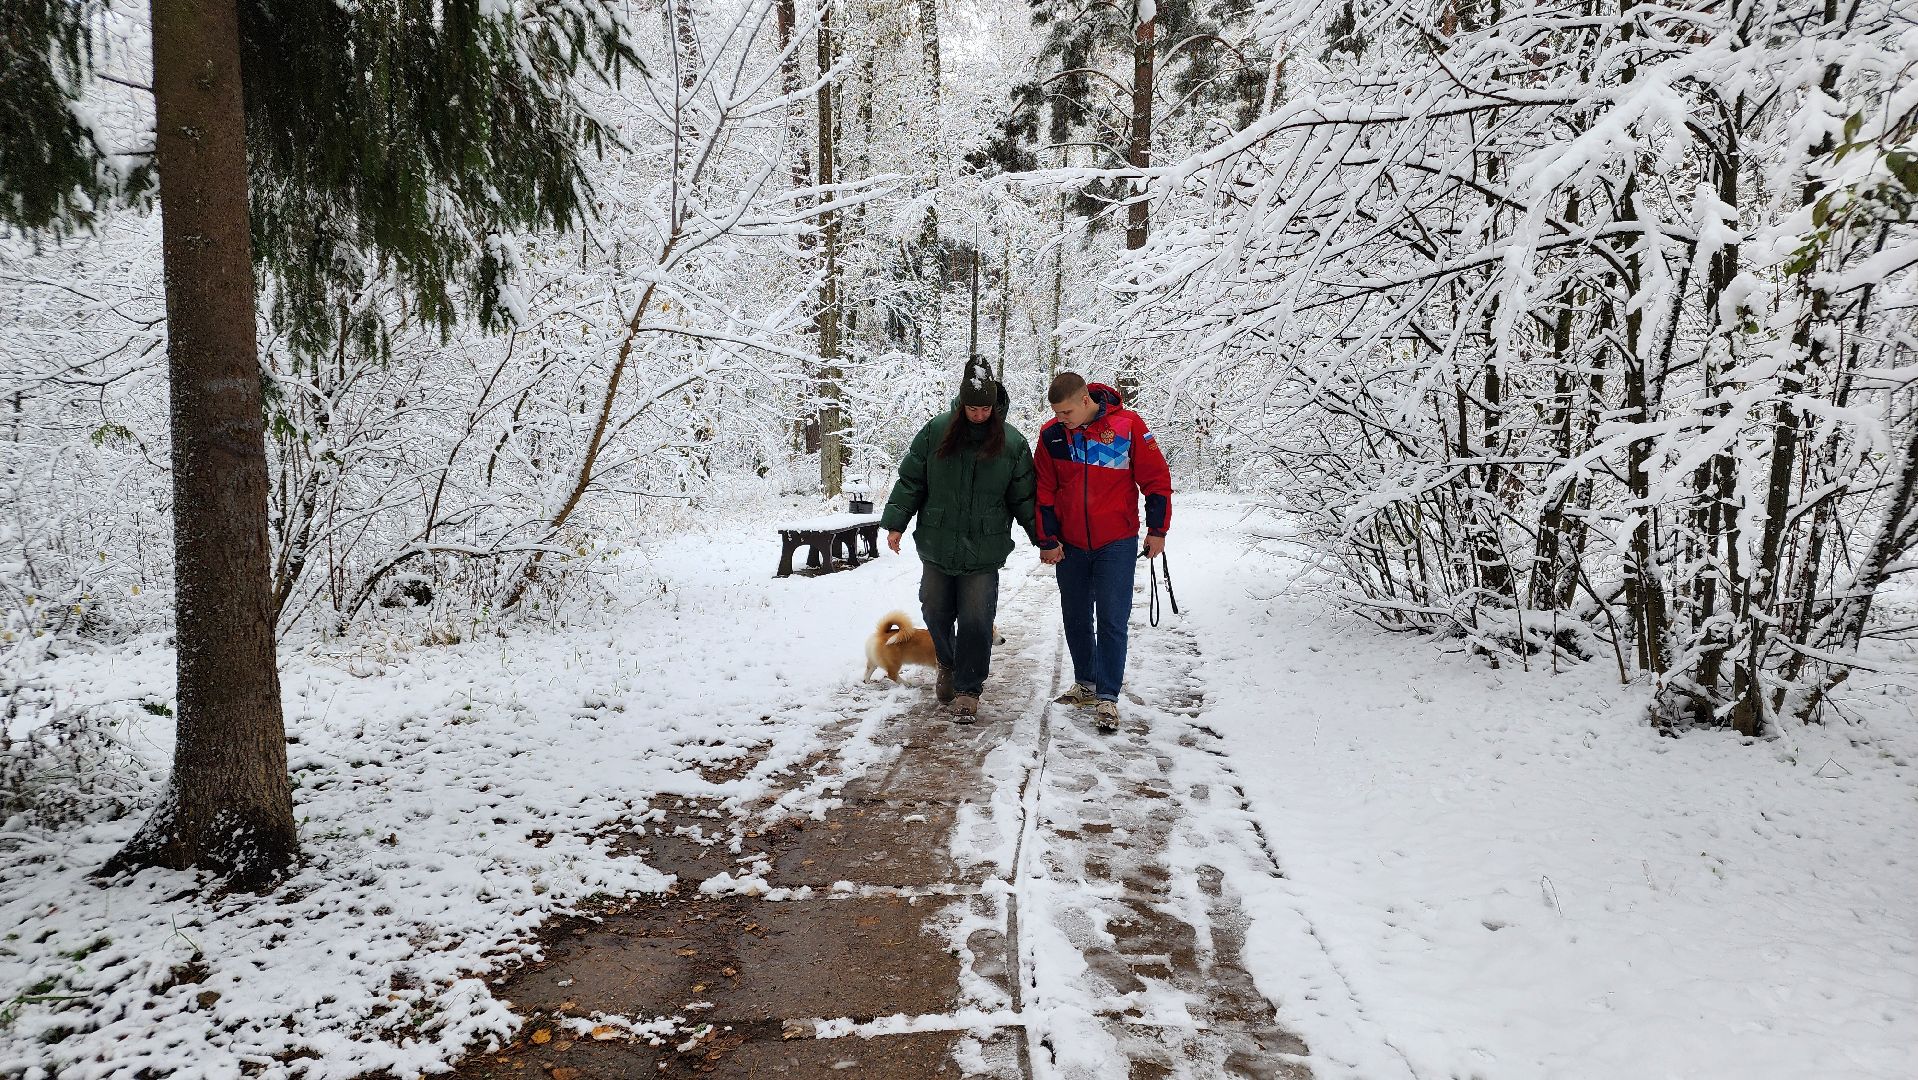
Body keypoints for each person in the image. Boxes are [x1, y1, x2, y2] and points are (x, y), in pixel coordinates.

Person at [880, 358, 1043, 721]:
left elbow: (1024, 498)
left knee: (976, 620)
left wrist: (1043, 539)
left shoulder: (1012, 442)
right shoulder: (936, 431)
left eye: (985, 408)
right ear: (962, 402)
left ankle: (969, 690)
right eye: (973, 407)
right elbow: (912, 480)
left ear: (995, 404)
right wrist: (896, 523)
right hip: (938, 543)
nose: (979, 414)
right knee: (934, 610)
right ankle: (947, 663)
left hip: (984, 549)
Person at [1033, 372, 1172, 732]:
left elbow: (1156, 480)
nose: (1060, 419)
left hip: (1117, 541)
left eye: (1066, 412)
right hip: (1071, 544)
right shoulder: (1052, 436)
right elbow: (1044, 490)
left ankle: (1108, 697)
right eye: (1056, 413)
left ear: (1084, 400)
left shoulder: (1127, 426)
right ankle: (1086, 683)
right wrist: (1047, 539)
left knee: (1112, 619)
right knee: (1076, 616)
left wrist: (1158, 530)